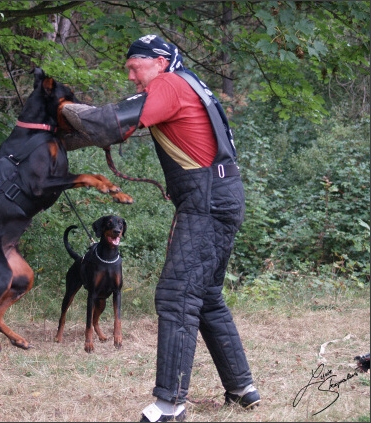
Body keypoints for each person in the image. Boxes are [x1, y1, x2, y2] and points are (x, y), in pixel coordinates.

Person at [61, 34, 260, 422]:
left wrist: (63, 107)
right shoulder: (186, 84)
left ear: (159, 62)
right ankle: (241, 388)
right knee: (205, 296)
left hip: (206, 201)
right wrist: (55, 141)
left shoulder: (169, 83)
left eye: (135, 68)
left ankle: (170, 405)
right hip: (222, 195)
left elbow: (109, 123)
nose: (132, 77)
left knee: (175, 295)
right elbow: (106, 131)